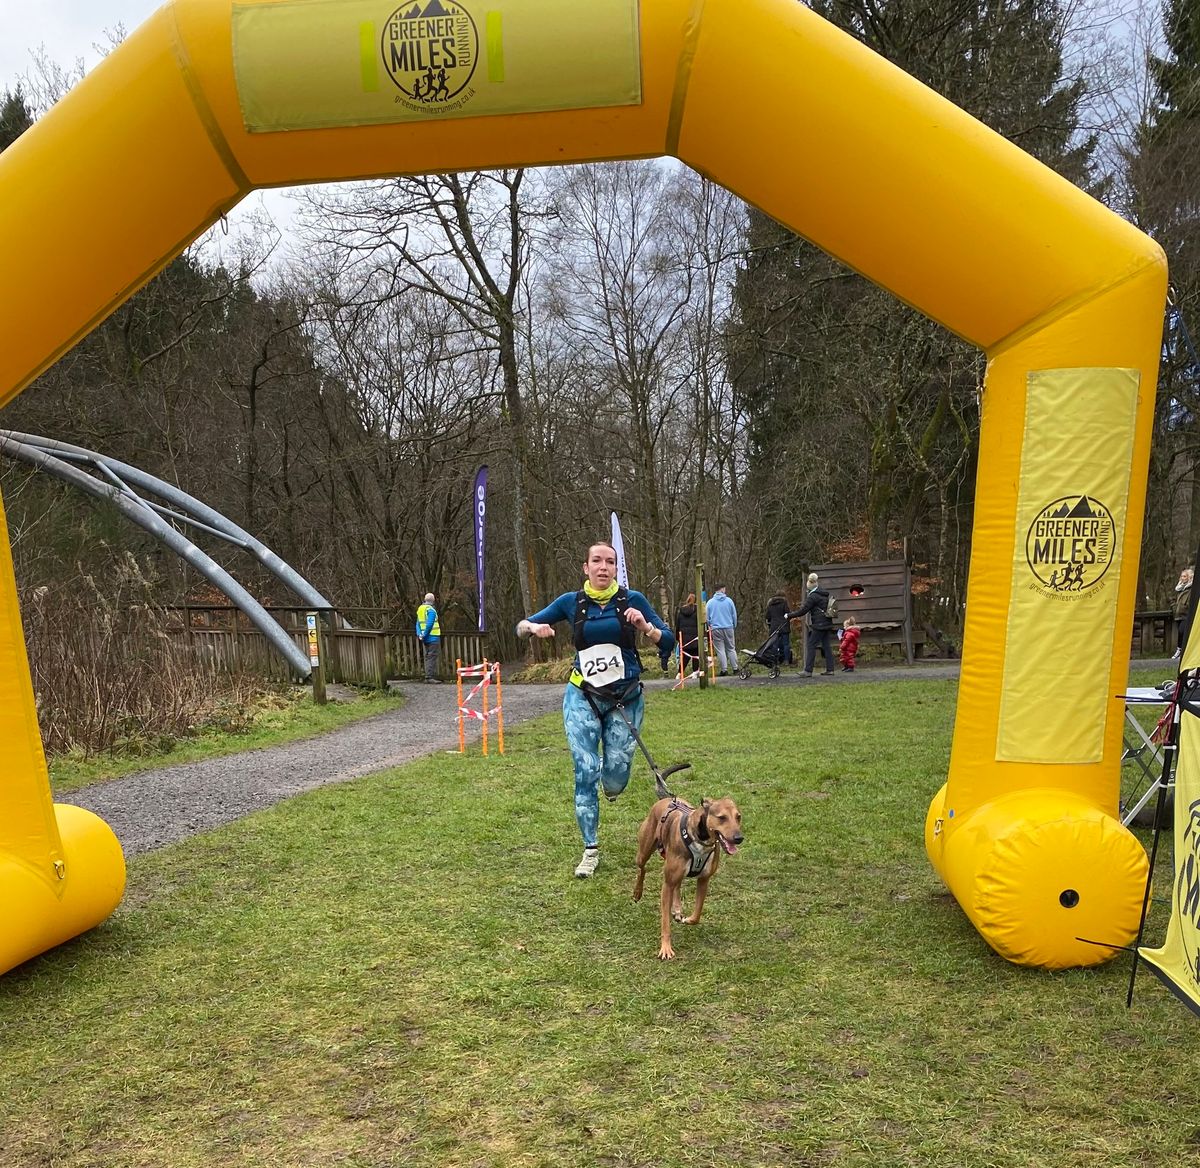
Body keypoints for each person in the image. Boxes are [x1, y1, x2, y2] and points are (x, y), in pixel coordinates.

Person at [516, 541, 675, 878]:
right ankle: (590, 849)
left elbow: (669, 640)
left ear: (616, 568)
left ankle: (607, 773)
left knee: (615, 779)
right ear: (585, 567)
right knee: (583, 771)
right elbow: (521, 625)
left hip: (625, 698)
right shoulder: (570, 602)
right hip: (582, 696)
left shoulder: (633, 600)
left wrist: (645, 628)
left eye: (610, 562)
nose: (604, 567)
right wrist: (534, 628)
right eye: (597, 561)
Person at [788, 572, 836, 677]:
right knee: (826, 646)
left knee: (811, 645)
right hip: (827, 623)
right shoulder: (823, 594)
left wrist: (789, 615)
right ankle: (830, 669)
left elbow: (803, 610)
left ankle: (808, 670)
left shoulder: (813, 597)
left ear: (809, 585)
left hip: (819, 624)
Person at [706, 585, 738, 676]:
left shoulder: (710, 603)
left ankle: (724, 670)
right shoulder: (729, 601)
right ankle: (735, 668)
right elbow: (734, 615)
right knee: (731, 648)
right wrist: (733, 625)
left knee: (720, 650)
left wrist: (710, 625)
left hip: (716, 628)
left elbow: (707, 618)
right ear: (722, 589)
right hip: (728, 627)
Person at [415, 592, 442, 683]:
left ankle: (428, 676)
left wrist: (420, 634)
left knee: (427, 656)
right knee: (432, 656)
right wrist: (425, 634)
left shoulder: (420, 609)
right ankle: (430, 677)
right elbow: (430, 624)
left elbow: (418, 623)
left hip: (424, 638)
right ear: (433, 600)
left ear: (425, 599)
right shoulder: (431, 610)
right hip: (433, 637)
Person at [675, 592, 700, 677]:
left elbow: (677, 626)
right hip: (695, 638)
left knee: (684, 656)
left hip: (684, 638)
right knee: (695, 655)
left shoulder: (681, 611)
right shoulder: (698, 610)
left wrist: (678, 637)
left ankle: (679, 673)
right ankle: (695, 673)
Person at [765, 590, 791, 668]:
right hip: (784, 625)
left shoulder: (770, 604)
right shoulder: (784, 603)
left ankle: (774, 661)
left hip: (774, 626)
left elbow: (767, 616)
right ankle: (786, 660)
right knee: (786, 644)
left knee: (774, 644)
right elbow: (788, 613)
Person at [1174, 566, 1194, 659]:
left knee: (1183, 631)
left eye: (1185, 576)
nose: (1183, 578)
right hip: (1178, 613)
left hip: (1186, 614)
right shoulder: (1179, 588)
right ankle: (1180, 650)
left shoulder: (1190, 588)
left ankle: (1181, 650)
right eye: (1182, 576)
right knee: (1180, 633)